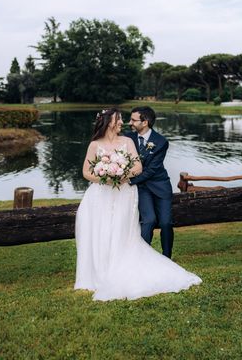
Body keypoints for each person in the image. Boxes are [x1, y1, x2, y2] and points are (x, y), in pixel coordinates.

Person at [74, 107, 201, 302]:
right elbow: (86, 172)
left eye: (128, 119)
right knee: (101, 228)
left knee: (129, 228)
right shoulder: (95, 145)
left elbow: (138, 167)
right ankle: (99, 270)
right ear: (109, 122)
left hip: (128, 190)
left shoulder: (129, 141)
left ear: (146, 121)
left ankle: (149, 260)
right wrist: (105, 177)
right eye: (119, 119)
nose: (123, 122)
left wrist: (119, 175)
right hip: (101, 193)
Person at [125, 106, 174, 257]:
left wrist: (130, 181)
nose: (130, 123)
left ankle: (167, 257)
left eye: (133, 120)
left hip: (160, 186)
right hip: (142, 188)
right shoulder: (128, 139)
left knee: (166, 223)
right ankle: (143, 257)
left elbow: (152, 170)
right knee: (149, 220)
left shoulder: (161, 142)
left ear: (145, 122)